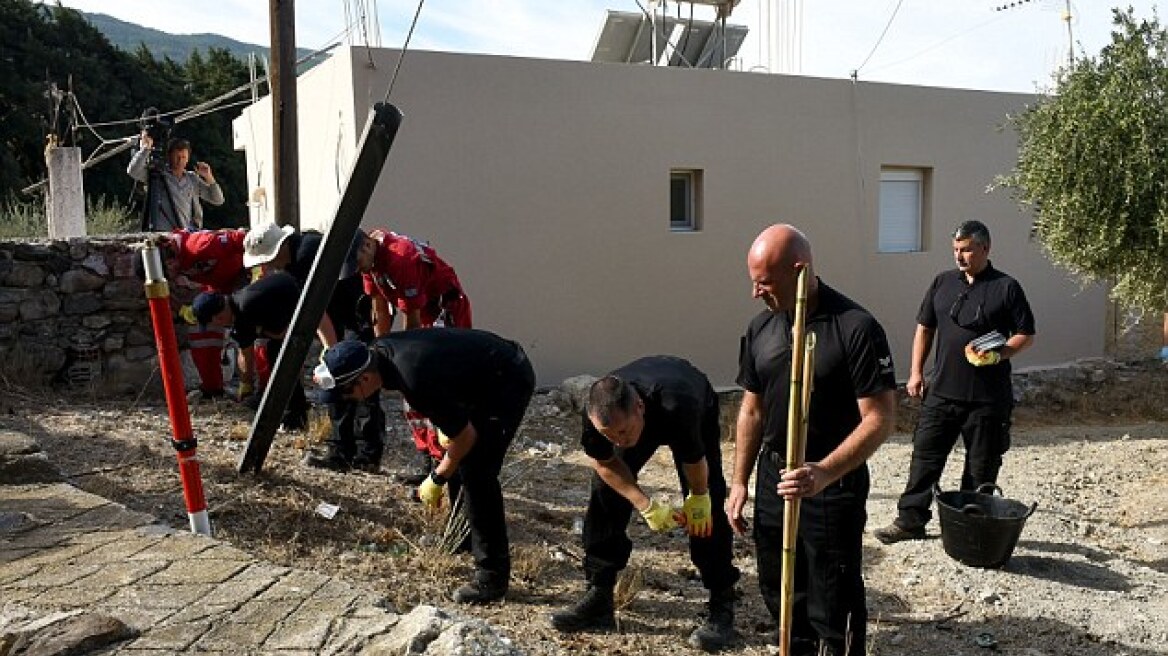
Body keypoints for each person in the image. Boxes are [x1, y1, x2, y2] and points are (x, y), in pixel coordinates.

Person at [725, 224, 897, 656]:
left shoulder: (855, 327)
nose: (755, 293)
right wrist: (740, 481)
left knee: (833, 595)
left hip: (830, 483)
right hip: (774, 474)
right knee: (779, 587)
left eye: (764, 283)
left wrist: (823, 472)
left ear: (799, 270)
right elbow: (751, 410)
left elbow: (879, 418)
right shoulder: (761, 327)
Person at [315, 329, 534, 604]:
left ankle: (492, 578)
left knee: (478, 471)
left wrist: (437, 477)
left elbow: (466, 437)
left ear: (366, 378)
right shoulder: (378, 353)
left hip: (507, 378)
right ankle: (463, 535)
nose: (350, 400)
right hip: (479, 373)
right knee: (456, 454)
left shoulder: (412, 376)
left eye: (348, 394)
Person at [549, 357, 740, 652]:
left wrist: (698, 498)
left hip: (688, 397)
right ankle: (599, 594)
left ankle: (721, 604)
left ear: (639, 407)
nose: (619, 441)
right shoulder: (598, 414)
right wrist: (645, 504)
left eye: (623, 433)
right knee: (605, 493)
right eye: (609, 436)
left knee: (708, 505)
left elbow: (694, 461)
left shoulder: (679, 405)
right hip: (641, 410)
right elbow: (606, 463)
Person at [875, 220, 1035, 545]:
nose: (959, 256)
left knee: (980, 468)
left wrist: (1000, 354)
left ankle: (969, 529)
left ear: (984, 249)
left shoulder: (1006, 287)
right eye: (955, 250)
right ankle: (910, 521)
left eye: (965, 250)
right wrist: (917, 371)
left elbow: (1025, 334)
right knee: (924, 458)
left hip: (987, 400)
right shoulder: (942, 283)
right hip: (942, 393)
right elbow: (925, 328)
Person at [243, 223, 384, 471]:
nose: (270, 265)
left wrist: (331, 350)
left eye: (270, 258)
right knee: (343, 379)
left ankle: (361, 454)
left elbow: (316, 307)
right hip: (346, 316)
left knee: (357, 380)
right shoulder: (300, 251)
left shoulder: (307, 256)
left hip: (357, 316)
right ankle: (348, 450)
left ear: (282, 246)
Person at [351, 228, 474, 483]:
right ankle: (428, 459)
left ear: (366, 246)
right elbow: (379, 310)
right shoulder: (370, 259)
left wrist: (402, 363)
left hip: (445, 311)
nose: (357, 269)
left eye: (356, 263)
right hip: (423, 315)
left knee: (428, 383)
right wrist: (379, 352)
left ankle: (448, 461)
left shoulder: (401, 260)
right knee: (412, 395)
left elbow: (413, 329)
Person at [135, 229, 249, 401]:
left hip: (246, 281)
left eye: (167, 272)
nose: (170, 277)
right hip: (223, 290)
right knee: (201, 331)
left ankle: (263, 389)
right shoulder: (179, 260)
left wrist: (257, 277)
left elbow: (244, 238)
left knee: (255, 338)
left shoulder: (200, 245)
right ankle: (213, 390)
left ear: (169, 257)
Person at [191, 270, 308, 430]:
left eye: (214, 322)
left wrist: (259, 331)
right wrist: (245, 385)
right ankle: (287, 406)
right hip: (296, 302)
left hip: (311, 301)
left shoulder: (247, 306)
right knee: (274, 352)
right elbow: (245, 352)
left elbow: (282, 332)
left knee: (279, 354)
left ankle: (296, 414)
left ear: (218, 317)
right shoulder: (238, 309)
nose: (218, 325)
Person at [127, 132, 224, 231]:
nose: (180, 160)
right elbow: (133, 171)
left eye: (184, 157)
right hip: (164, 233)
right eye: (177, 157)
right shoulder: (158, 175)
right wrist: (145, 149)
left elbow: (218, 200)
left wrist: (209, 177)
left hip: (186, 234)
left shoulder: (192, 179)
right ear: (169, 156)